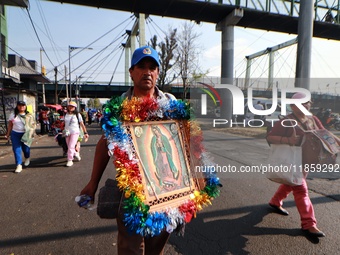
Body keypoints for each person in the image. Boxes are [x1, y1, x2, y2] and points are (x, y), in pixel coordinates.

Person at [80, 46, 176, 255]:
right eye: (141, 67)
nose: (147, 72)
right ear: (132, 72)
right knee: (130, 248)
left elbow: (184, 143)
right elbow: (105, 144)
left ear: (158, 73)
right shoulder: (118, 107)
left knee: (156, 245)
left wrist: (194, 184)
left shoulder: (170, 103)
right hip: (132, 190)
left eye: (152, 67)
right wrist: (93, 183)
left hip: (166, 187)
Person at [266, 92, 340, 238]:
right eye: (302, 103)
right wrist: (288, 140)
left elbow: (323, 133)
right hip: (292, 160)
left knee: (292, 182)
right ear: (293, 106)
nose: (306, 105)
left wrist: (336, 140)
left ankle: (275, 201)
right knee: (301, 189)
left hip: (307, 159)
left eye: (308, 102)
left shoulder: (313, 119)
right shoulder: (286, 121)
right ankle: (309, 224)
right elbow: (270, 137)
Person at [5, 101, 36, 173]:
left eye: (23, 105)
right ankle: (19, 165)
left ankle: (27, 157)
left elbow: (33, 125)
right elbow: (10, 125)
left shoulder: (29, 115)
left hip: (26, 134)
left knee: (26, 149)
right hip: (15, 134)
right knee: (16, 149)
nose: (21, 107)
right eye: (19, 105)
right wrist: (8, 134)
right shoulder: (13, 115)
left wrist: (32, 133)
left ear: (25, 107)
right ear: (17, 106)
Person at [64, 101, 89, 167]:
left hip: (75, 132)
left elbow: (82, 124)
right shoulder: (65, 114)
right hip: (67, 133)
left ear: (75, 107)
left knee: (71, 146)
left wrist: (85, 132)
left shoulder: (78, 115)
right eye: (70, 106)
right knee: (69, 146)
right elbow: (64, 123)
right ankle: (76, 153)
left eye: (72, 106)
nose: (71, 107)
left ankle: (70, 160)